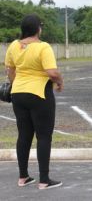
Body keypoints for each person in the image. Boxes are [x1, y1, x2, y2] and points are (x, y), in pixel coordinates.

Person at [5, 14, 64, 189]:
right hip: (39, 93)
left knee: (24, 135)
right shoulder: (43, 47)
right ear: (38, 28)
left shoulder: (14, 46)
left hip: (18, 93)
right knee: (44, 136)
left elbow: (10, 69)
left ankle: (23, 177)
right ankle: (44, 180)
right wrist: (60, 81)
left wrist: (17, 84)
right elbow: (52, 72)